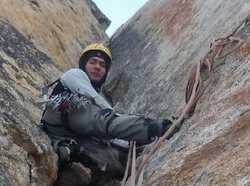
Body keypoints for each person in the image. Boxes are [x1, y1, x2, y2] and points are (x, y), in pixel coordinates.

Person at [40, 43, 170, 174]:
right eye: (93, 62)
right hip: (70, 113)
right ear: (84, 64)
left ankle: (71, 149)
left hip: (64, 133)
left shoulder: (98, 92)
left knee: (117, 160)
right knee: (107, 120)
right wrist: (124, 138)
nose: (97, 67)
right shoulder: (74, 74)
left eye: (102, 65)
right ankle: (160, 127)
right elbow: (98, 106)